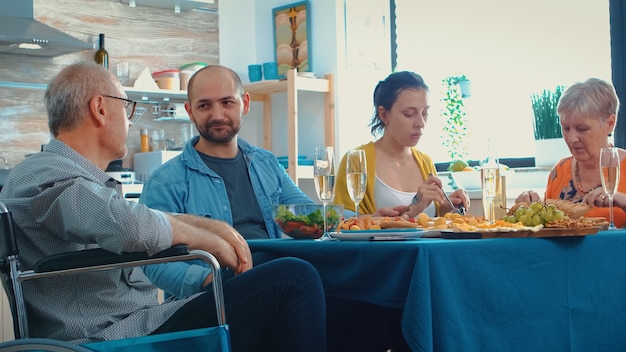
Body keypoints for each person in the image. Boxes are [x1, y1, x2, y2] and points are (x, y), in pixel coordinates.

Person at [0, 62, 327, 352]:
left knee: (309, 292)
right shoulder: (44, 170)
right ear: (100, 108)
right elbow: (126, 225)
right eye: (126, 108)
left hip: (139, 322)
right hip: (110, 338)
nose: (129, 123)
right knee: (293, 279)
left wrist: (210, 228)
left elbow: (126, 220)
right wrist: (207, 237)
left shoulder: (70, 175)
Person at [140, 64, 411, 351]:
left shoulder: (266, 164)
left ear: (244, 104)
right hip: (211, 300)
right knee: (294, 270)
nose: (217, 115)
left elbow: (309, 214)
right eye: (205, 105)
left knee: (384, 306)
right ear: (190, 110)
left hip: (275, 284)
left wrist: (363, 219)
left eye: (227, 102)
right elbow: (155, 263)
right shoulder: (166, 181)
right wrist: (209, 278)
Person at [334, 71, 470, 218]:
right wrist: (376, 219)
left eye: (424, 113)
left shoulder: (425, 162)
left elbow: (429, 223)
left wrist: (447, 208)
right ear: (384, 114)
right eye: (409, 114)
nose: (420, 123)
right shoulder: (356, 160)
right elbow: (339, 221)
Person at [515, 78, 626, 228]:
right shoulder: (559, 171)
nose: (572, 138)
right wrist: (527, 206)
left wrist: (621, 200)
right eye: (566, 128)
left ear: (610, 124)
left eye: (582, 129)